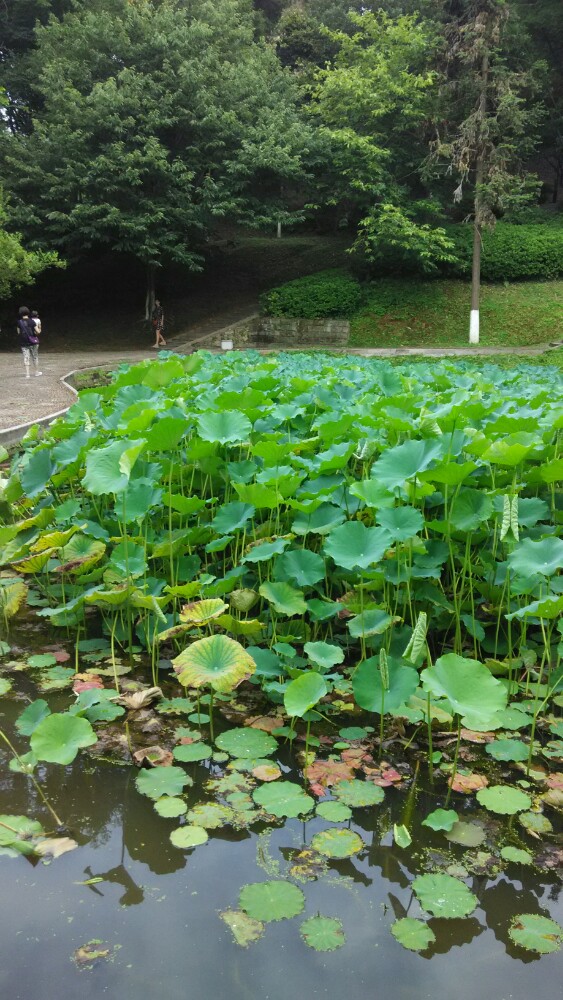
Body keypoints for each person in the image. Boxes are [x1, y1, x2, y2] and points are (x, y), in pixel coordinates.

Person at [17, 306, 42, 378]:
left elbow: (18, 332)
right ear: (28, 312)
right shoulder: (32, 321)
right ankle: (36, 372)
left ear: (20, 313)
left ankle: (27, 374)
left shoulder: (19, 322)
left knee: (26, 357)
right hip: (33, 342)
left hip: (24, 342)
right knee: (35, 356)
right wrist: (39, 328)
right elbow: (37, 331)